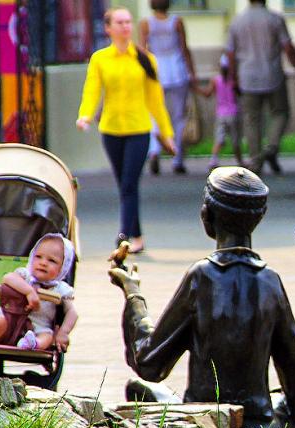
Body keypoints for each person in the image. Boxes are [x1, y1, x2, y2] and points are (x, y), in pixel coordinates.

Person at [107, 166, 295, 428]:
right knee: (276, 400)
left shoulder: (201, 277)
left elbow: (150, 364)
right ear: (259, 218)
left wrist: (132, 293)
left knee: (138, 386)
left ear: (206, 215)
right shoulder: (270, 281)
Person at [76, 7, 175, 255]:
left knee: (130, 183)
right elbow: (92, 90)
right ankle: (138, 236)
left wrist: (167, 134)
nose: (125, 26)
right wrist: (85, 116)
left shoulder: (144, 59)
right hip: (111, 130)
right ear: (108, 28)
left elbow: (156, 101)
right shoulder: (100, 59)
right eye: (119, 22)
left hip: (139, 130)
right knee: (125, 185)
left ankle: (123, 235)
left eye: (128, 22)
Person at [0, 234, 78, 352]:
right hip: (9, 319)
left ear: (63, 267)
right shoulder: (25, 276)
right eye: (38, 256)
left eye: (52, 260)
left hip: (38, 328)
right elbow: (8, 278)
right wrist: (29, 291)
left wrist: (63, 333)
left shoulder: (62, 289)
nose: (43, 263)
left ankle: (32, 344)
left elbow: (72, 312)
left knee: (48, 336)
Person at [226, 0, 295, 175]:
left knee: (251, 119)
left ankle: (256, 161)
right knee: (280, 112)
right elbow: (288, 47)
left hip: (247, 77)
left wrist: (233, 77)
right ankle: (271, 148)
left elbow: (230, 53)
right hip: (273, 75)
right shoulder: (275, 19)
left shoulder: (237, 21)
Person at [140, 0, 199, 176]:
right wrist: (192, 73)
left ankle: (155, 151)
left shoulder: (146, 24)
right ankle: (178, 158)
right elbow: (184, 49)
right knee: (179, 116)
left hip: (156, 72)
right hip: (177, 71)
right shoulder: (177, 21)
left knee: (154, 114)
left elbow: (143, 51)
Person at [198, 53, 243, 172]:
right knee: (235, 139)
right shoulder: (233, 80)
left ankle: (213, 159)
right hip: (233, 112)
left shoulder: (216, 80)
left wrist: (195, 88)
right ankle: (240, 161)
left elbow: (207, 94)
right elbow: (240, 93)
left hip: (221, 113)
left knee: (219, 138)